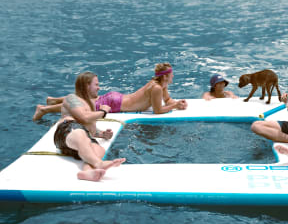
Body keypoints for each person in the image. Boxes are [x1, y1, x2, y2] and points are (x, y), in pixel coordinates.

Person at [33, 63, 188, 120]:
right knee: (82, 106)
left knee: (87, 100)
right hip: (116, 104)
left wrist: (176, 103)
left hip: (117, 98)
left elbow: (167, 101)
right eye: (172, 74)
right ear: (166, 76)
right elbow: (158, 111)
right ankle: (44, 109)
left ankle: (54, 100)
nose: (173, 76)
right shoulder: (156, 88)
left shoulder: (160, 84)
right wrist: (174, 107)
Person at [54, 71, 126, 181]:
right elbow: (83, 117)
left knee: (99, 149)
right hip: (67, 132)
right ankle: (99, 164)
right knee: (79, 133)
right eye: (96, 84)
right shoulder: (72, 98)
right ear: (87, 86)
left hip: (79, 142)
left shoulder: (91, 103)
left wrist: (102, 134)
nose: (99, 88)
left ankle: (87, 172)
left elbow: (90, 130)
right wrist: (103, 111)